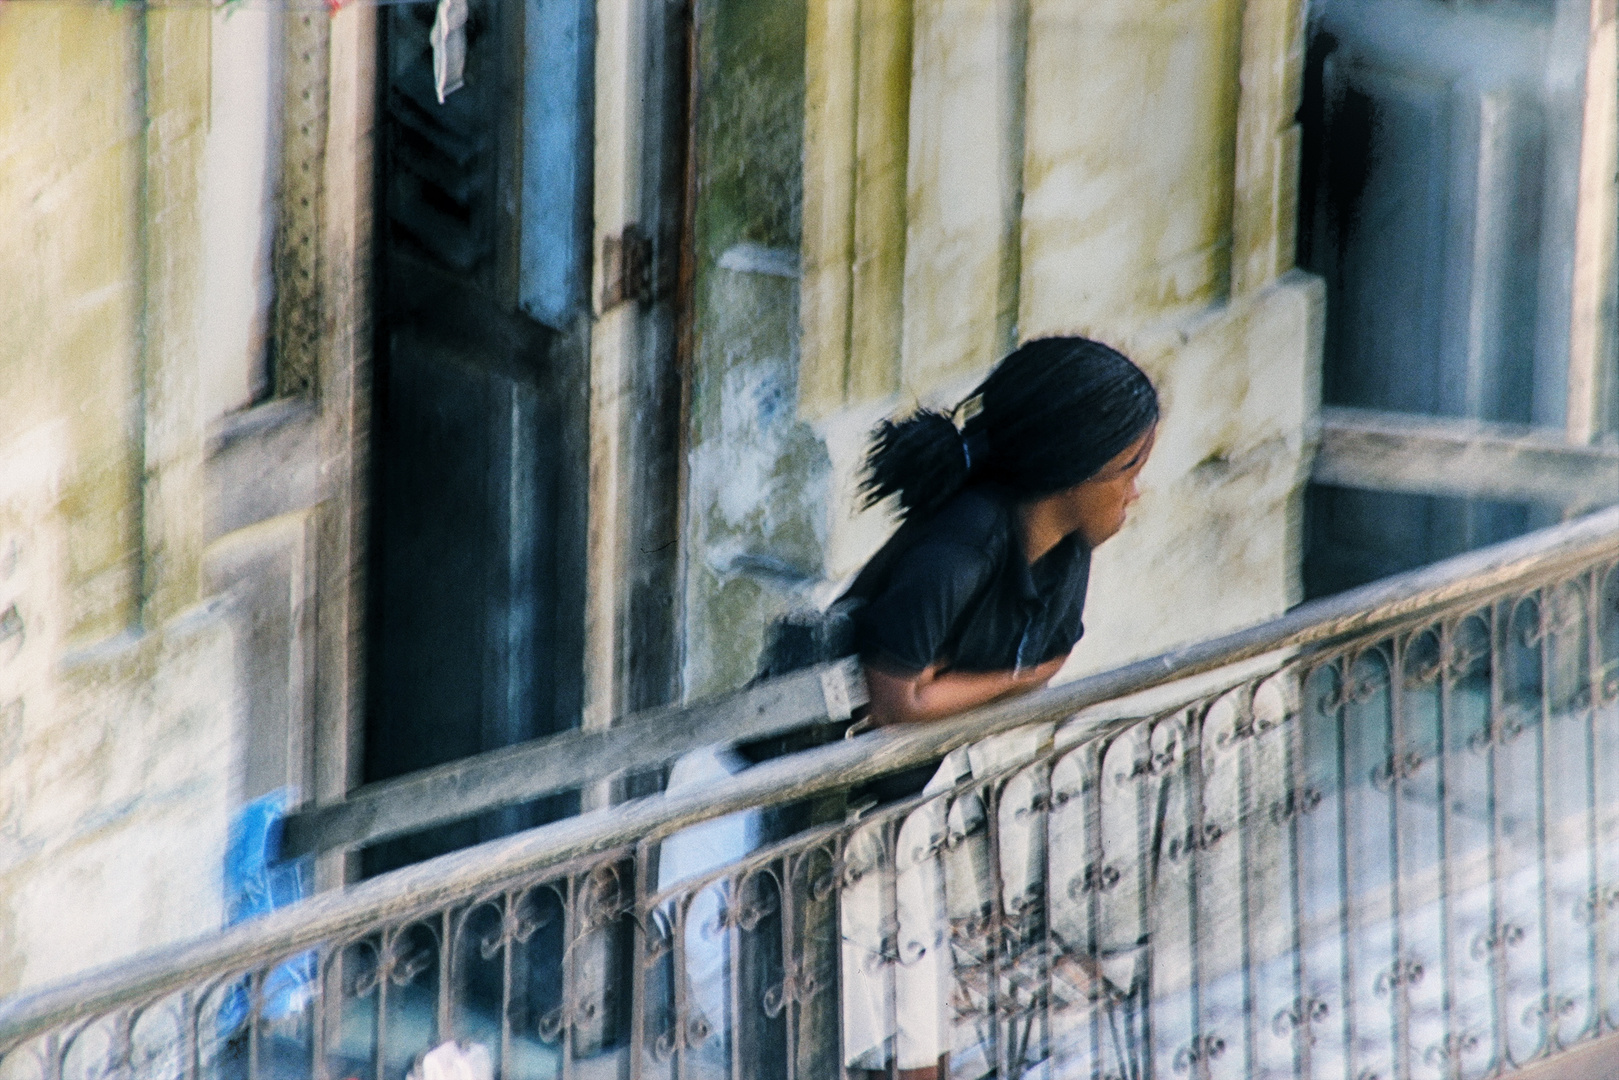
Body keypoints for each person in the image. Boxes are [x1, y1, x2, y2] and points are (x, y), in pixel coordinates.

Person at [839, 335, 1159, 1080]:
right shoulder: (962, 540)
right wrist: (1008, 681)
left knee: (921, 1034)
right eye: (1128, 469)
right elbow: (897, 698)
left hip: (890, 800)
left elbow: (1047, 665)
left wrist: (997, 680)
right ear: (1072, 469)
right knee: (848, 1027)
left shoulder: (1065, 554)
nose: (1134, 493)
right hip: (797, 803)